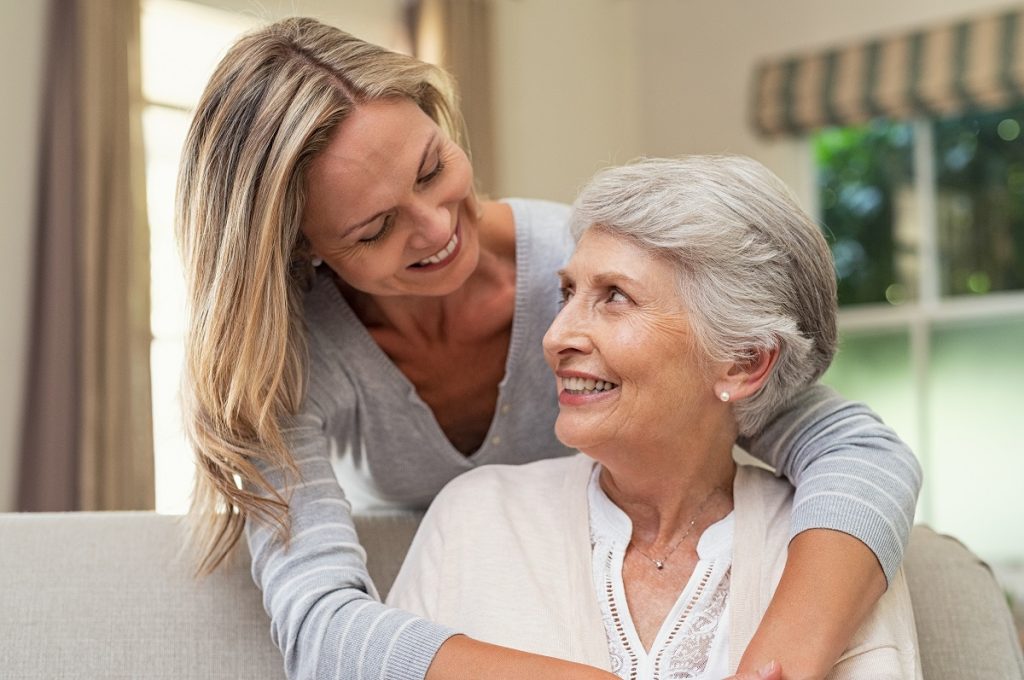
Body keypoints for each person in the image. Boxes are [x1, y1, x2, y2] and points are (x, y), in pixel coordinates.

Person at [175, 17, 921, 680]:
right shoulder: (287, 360)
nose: (437, 229)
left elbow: (850, 446)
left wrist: (779, 661)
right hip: (450, 607)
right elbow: (319, 629)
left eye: (433, 170)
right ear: (304, 250)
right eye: (373, 229)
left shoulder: (583, 266)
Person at [387, 156, 922, 679]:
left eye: (615, 297)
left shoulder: (832, 549)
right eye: (567, 292)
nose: (554, 337)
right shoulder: (474, 517)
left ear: (744, 362)